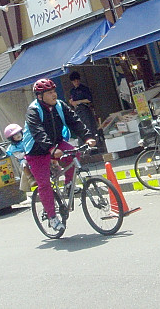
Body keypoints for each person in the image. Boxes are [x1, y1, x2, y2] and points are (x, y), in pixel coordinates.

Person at [23, 78, 96, 233]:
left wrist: (88, 137)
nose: (54, 94)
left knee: (74, 153)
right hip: (36, 150)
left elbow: (75, 121)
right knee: (44, 185)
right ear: (40, 96)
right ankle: (52, 217)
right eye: (49, 92)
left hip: (55, 144)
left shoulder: (60, 106)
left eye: (54, 91)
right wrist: (50, 149)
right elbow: (37, 131)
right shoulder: (33, 110)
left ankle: (69, 184)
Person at [4, 124, 36, 192]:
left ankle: (55, 168)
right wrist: (26, 152)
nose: (18, 135)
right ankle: (30, 178)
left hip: (33, 156)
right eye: (14, 135)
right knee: (24, 165)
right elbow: (19, 156)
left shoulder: (26, 139)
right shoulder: (13, 147)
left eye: (18, 133)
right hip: (24, 159)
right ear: (11, 138)